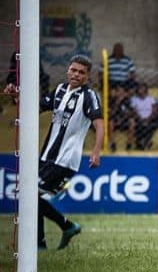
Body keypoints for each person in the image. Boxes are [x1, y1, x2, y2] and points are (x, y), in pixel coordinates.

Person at [4, 55, 104, 250]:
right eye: (73, 70)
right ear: (68, 70)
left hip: (65, 159)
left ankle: (62, 229)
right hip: (47, 156)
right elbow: (34, 109)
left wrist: (96, 150)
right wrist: (17, 95)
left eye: (81, 72)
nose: (76, 74)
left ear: (87, 76)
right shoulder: (59, 90)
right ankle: (51, 237)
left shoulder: (88, 96)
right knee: (31, 197)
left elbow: (99, 124)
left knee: (29, 195)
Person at [129, 83, 158, 150]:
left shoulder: (151, 99)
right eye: (139, 88)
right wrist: (141, 119)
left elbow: (155, 111)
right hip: (139, 119)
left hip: (150, 119)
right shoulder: (134, 99)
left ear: (146, 90)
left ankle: (144, 142)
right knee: (139, 125)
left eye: (142, 88)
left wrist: (148, 119)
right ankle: (143, 142)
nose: (140, 90)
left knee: (153, 124)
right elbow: (134, 111)